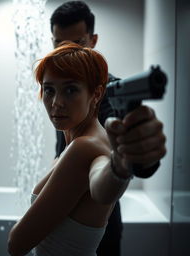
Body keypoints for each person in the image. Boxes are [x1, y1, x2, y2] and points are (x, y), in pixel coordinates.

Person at [7, 43, 166, 256]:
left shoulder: (84, 147)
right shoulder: (83, 141)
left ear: (97, 94)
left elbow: (16, 244)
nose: (56, 102)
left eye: (70, 89)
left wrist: (119, 167)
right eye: (49, 90)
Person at [49, 1, 166, 256]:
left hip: (99, 225)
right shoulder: (60, 91)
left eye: (77, 44)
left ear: (93, 40)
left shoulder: (107, 93)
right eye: (60, 45)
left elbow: (124, 146)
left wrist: (138, 156)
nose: (68, 53)